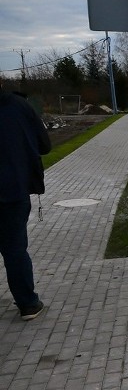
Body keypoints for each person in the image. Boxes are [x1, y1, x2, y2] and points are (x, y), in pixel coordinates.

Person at [0, 86, 52, 320]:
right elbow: (44, 145)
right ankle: (28, 304)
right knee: (14, 249)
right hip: (12, 189)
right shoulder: (19, 106)